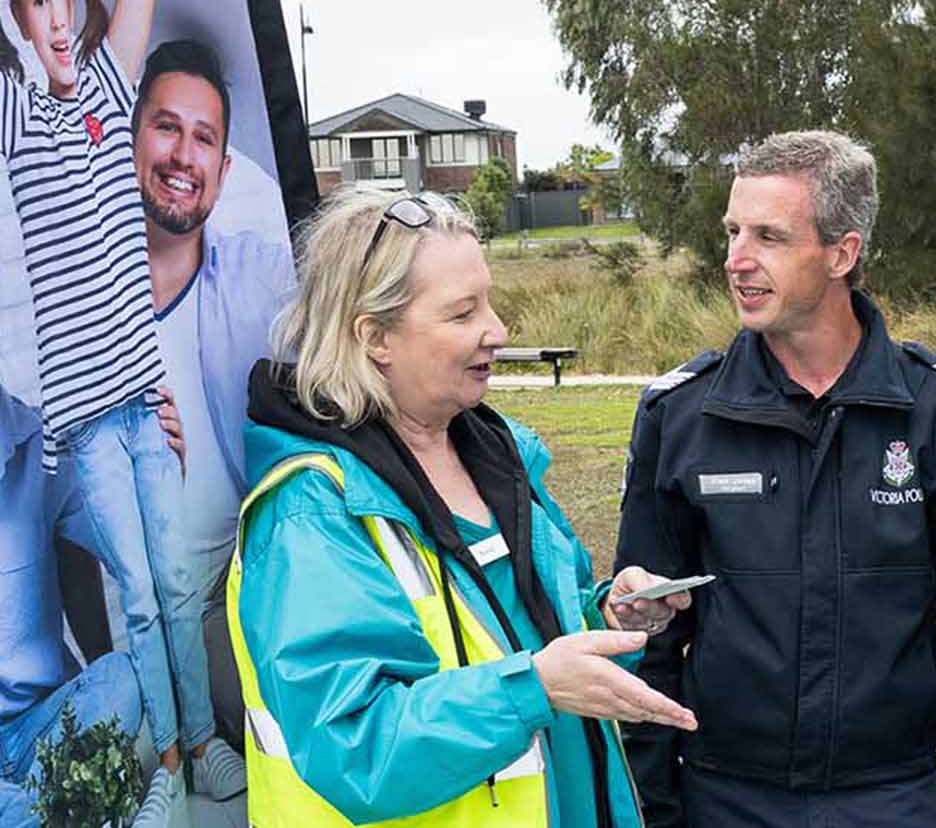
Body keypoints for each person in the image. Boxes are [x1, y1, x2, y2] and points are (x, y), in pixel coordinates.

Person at [227, 186, 696, 827]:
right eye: (462, 314)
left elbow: (516, 628)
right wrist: (535, 688)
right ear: (376, 337)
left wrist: (609, 614)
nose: (496, 332)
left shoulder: (498, 455)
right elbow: (354, 746)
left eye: (491, 303)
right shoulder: (312, 512)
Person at [615, 130, 936, 828]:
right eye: (733, 231)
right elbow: (646, 639)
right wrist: (654, 812)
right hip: (723, 799)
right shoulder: (679, 416)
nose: (736, 260)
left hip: (893, 799)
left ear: (843, 252)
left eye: (769, 236)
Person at [0, 0, 240, 807]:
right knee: (138, 593)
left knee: (175, 581)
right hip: (88, 423)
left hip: (146, 401)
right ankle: (172, 764)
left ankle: (204, 741)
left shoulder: (109, 84)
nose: (58, 18)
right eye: (35, 1)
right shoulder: (16, 117)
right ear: (18, 18)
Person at [133, 37, 296, 757]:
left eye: (203, 139)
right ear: (128, 134)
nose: (182, 156)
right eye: (167, 127)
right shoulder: (67, 297)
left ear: (223, 170)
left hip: (225, 598)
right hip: (114, 618)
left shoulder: (262, 282)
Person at [0, 383, 173, 828]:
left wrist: (160, 466)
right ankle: (78, 812)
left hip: (39, 724)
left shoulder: (42, 444)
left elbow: (135, 562)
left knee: (120, 677)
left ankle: (54, 812)